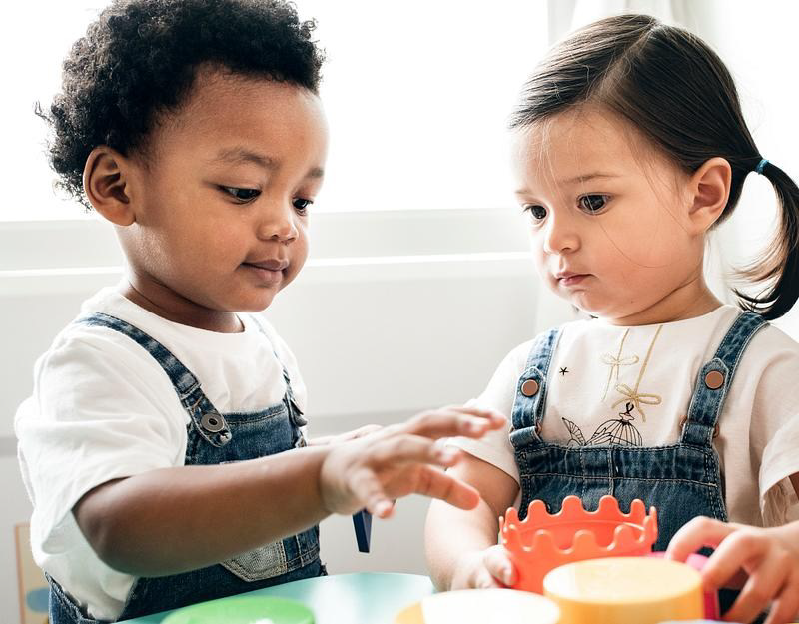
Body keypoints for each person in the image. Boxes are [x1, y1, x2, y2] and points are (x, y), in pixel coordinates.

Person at [14, 1, 505, 622]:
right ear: (117, 186)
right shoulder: (98, 362)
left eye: (303, 200)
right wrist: (317, 476)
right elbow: (121, 523)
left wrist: (343, 456)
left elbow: (251, 476)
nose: (283, 225)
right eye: (244, 191)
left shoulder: (262, 344)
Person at [424, 13, 799, 624]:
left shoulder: (767, 368)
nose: (556, 238)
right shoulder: (529, 372)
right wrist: (467, 566)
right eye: (536, 210)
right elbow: (458, 502)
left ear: (702, 195)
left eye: (591, 201)